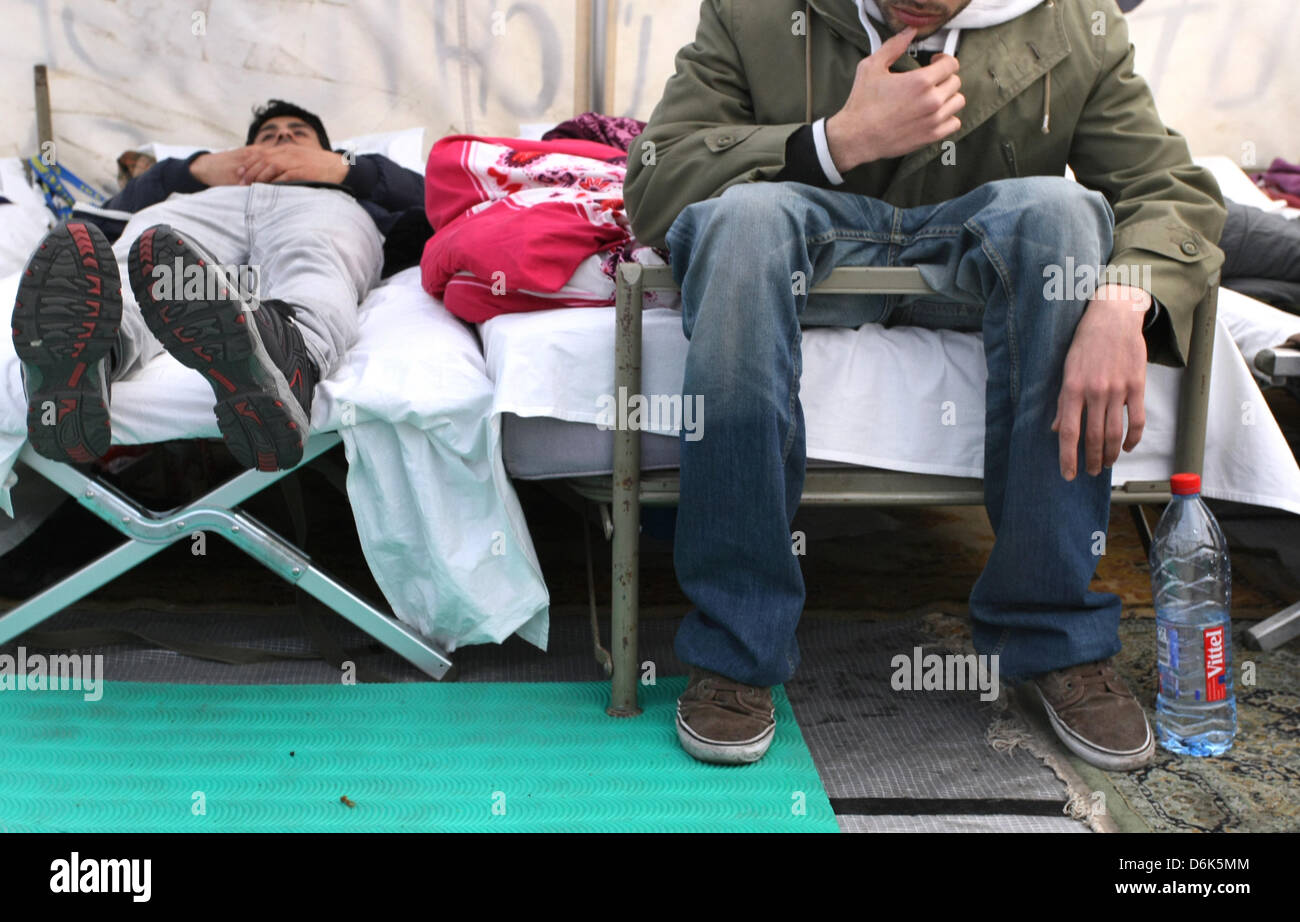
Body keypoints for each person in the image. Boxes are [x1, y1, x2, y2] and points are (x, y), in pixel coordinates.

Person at [625, 0, 1226, 770]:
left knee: (1065, 211)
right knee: (738, 224)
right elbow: (653, 183)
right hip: (809, 249)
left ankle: (1053, 640)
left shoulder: (1075, 20)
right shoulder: (753, 11)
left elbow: (1172, 191)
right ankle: (735, 651)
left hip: (980, 262)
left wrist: (1123, 296)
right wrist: (833, 143)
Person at [12, 100, 424, 471]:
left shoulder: (355, 183)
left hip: (321, 206)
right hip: (212, 206)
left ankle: (290, 359)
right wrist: (193, 169)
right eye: (268, 135)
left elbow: (436, 202)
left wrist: (345, 169)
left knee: (317, 259)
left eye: (296, 134)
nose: (281, 137)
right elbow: (107, 215)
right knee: (150, 254)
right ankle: (93, 353)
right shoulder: (194, 182)